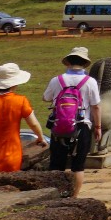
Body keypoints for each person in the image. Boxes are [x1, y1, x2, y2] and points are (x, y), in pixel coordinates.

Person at [43, 48, 102, 197]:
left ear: (68, 62)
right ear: (85, 63)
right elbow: (96, 106)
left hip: (59, 125)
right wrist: (98, 127)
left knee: (56, 165)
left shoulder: (57, 80)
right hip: (82, 125)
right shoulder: (90, 82)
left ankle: (55, 195)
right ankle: (74, 197)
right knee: (78, 166)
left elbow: (46, 98)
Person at [0, 63, 44, 172]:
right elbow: (33, 123)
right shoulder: (21, 101)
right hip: (12, 155)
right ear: (14, 83)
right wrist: (40, 137)